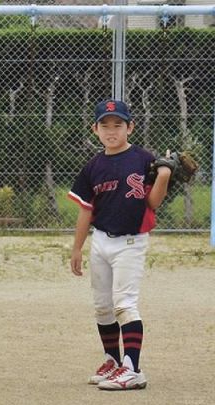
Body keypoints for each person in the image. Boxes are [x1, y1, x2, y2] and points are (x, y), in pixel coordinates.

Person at [68, 99, 173, 390]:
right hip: (100, 240)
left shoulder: (143, 160)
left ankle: (133, 369)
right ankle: (113, 360)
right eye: (105, 125)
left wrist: (163, 176)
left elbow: (152, 202)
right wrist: (77, 248)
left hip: (131, 242)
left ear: (130, 127)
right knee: (102, 307)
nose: (111, 131)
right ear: (95, 129)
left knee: (124, 304)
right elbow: (85, 210)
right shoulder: (93, 167)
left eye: (118, 125)